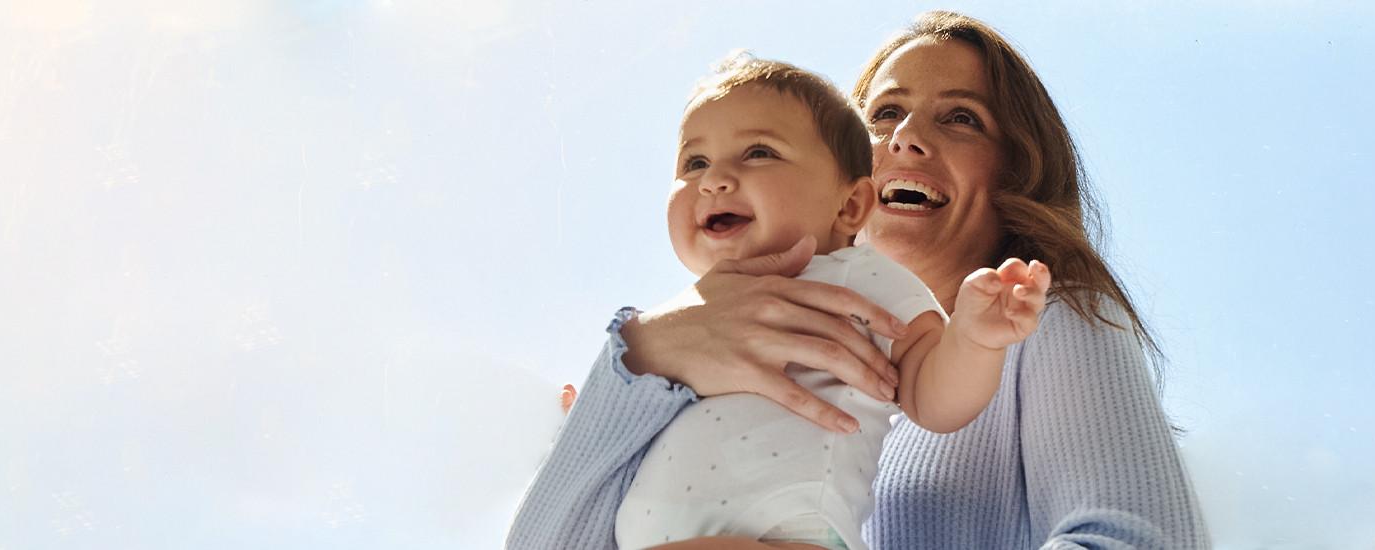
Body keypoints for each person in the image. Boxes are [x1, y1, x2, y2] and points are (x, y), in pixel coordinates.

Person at [508, 11, 1208, 549]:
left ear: (1016, 171)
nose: (905, 136)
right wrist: (641, 358)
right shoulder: (683, 357)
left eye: (961, 117)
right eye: (882, 113)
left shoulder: (1045, 323)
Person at [612, 53, 1052, 550]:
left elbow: (932, 399)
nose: (715, 179)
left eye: (758, 152)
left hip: (784, 533)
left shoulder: (857, 277)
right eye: (695, 162)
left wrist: (973, 339)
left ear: (849, 205)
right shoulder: (689, 317)